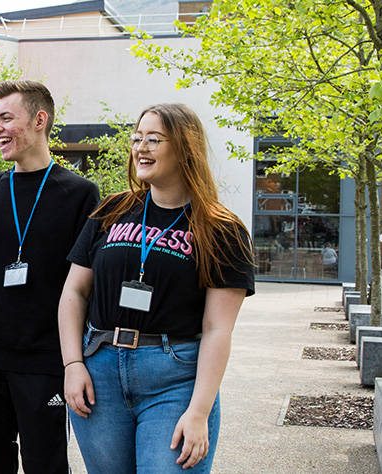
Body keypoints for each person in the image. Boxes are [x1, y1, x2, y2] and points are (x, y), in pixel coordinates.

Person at [58, 103, 255, 473]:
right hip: (99, 372)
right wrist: (72, 363)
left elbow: (217, 329)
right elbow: (74, 293)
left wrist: (198, 411)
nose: (140, 148)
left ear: (184, 148)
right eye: (136, 138)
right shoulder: (110, 211)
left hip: (174, 378)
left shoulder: (222, 230)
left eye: (154, 139)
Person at [0, 80, 101, 474]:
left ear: (40, 120)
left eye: (6, 117)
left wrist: (76, 358)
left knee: (46, 466)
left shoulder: (80, 194)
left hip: (45, 361)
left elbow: (86, 286)